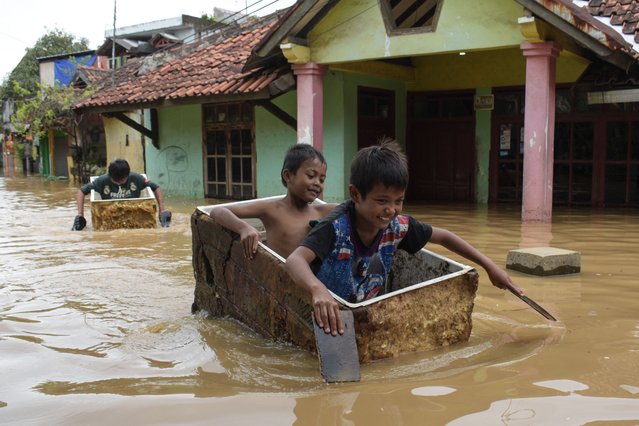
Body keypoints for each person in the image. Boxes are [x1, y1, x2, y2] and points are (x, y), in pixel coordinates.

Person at [285, 139, 524, 336]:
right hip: (326, 313)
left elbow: (445, 237)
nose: (391, 210)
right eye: (382, 201)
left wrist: (489, 266)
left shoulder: (397, 226)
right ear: (355, 195)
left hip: (367, 311)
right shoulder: (333, 227)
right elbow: (295, 261)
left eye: (398, 201)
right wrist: (317, 290)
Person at [210, 144, 336, 259]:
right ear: (288, 176)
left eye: (322, 180)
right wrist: (244, 228)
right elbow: (217, 211)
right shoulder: (271, 209)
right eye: (311, 176)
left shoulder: (324, 211)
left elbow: (353, 209)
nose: (317, 183)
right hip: (280, 278)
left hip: (313, 280)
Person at [72, 158, 171, 230]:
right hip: (109, 219)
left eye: (122, 180)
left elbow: (156, 187)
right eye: (115, 181)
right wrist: (80, 215)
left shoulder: (136, 178)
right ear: (110, 176)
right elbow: (81, 191)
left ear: (127, 175)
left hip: (134, 217)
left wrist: (162, 211)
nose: (119, 183)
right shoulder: (102, 181)